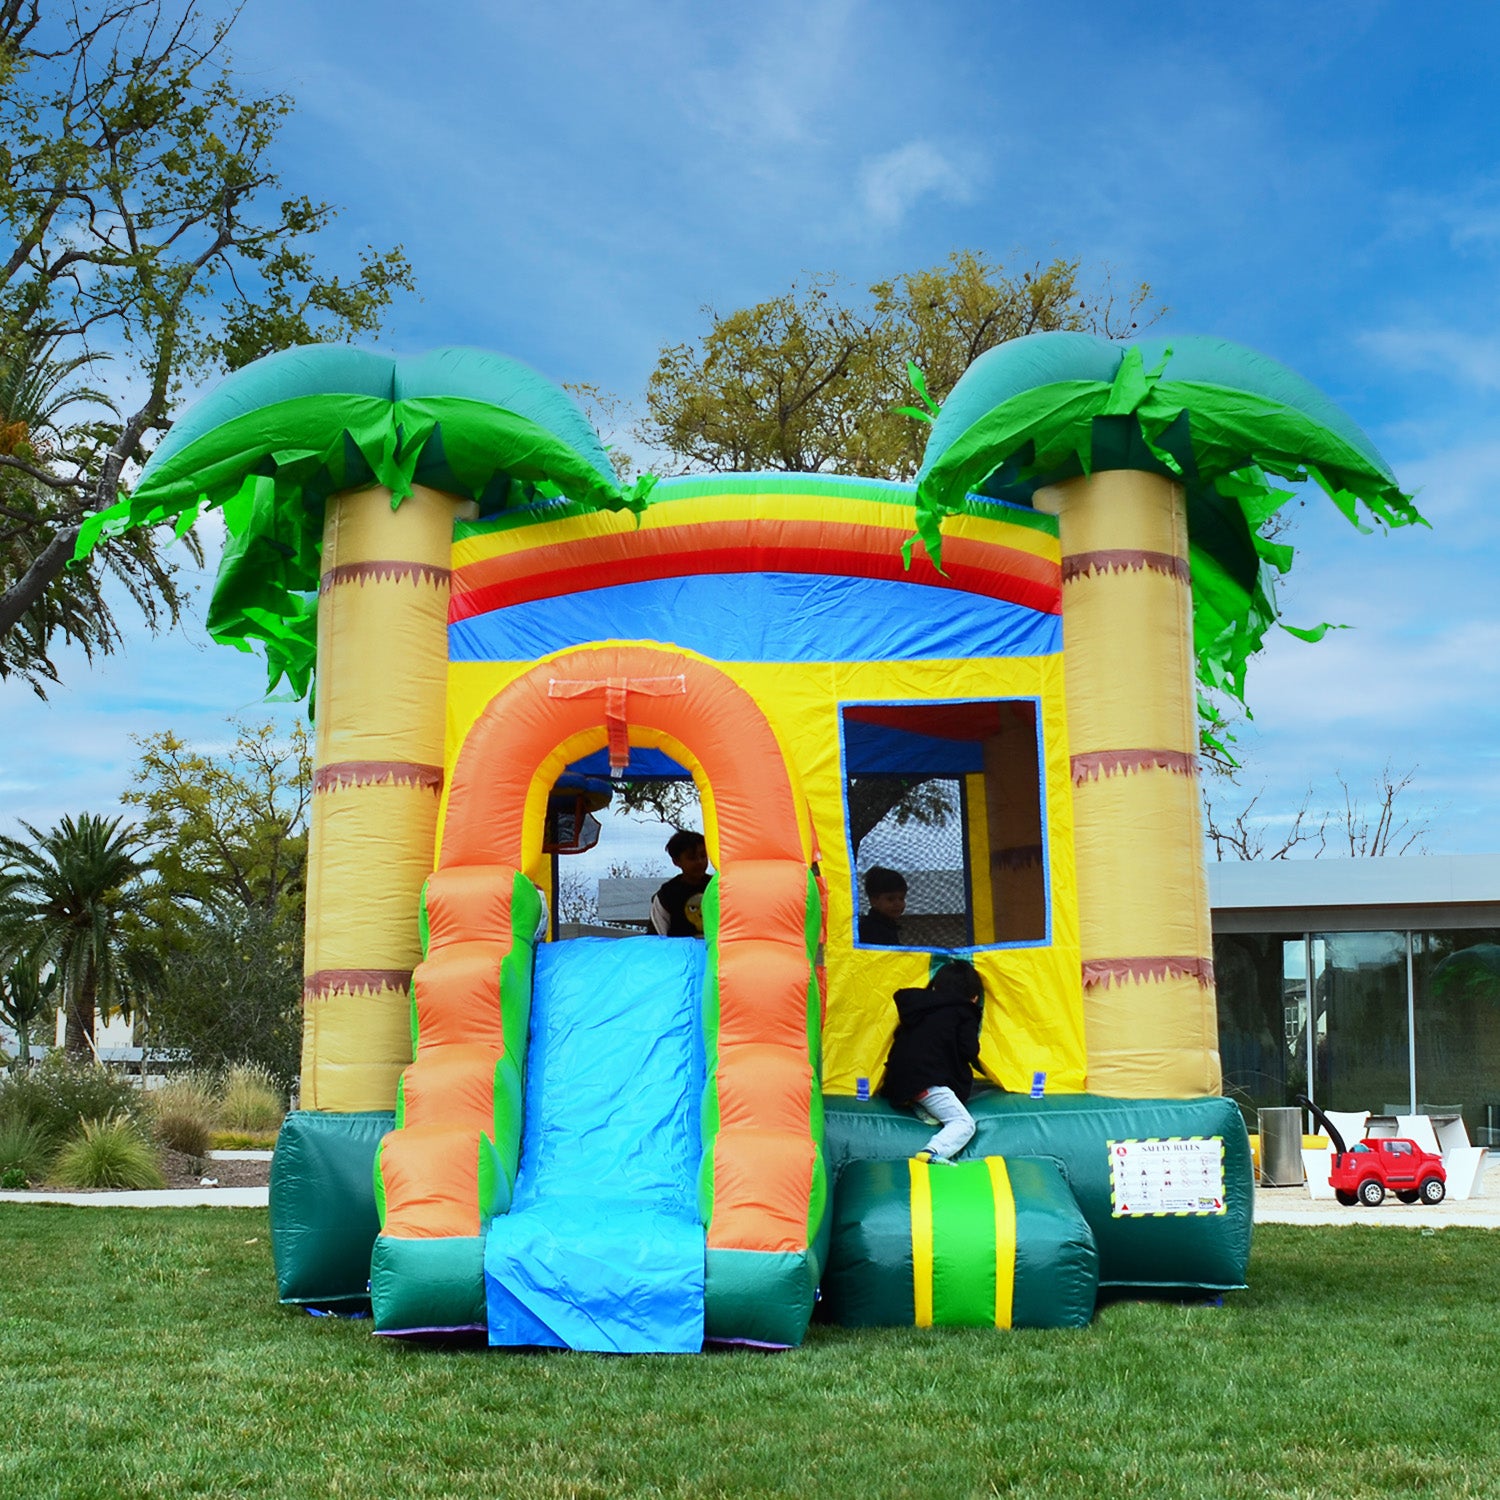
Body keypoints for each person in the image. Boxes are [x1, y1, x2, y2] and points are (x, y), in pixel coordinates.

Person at [878, 960, 984, 1163]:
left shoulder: (919, 1007)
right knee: (963, 1123)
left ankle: (918, 1103)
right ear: (974, 998)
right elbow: (969, 1050)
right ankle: (933, 1151)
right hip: (927, 1083)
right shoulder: (965, 1012)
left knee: (927, 1082)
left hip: (897, 1082)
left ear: (935, 987)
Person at [650, 829, 713, 936]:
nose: (699, 862)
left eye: (703, 856)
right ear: (676, 861)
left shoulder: (718, 887)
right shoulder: (667, 894)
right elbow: (658, 935)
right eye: (692, 858)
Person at [858, 866, 907, 946]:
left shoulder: (888, 925)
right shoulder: (872, 929)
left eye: (901, 898)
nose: (898, 904)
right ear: (873, 900)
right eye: (890, 899)